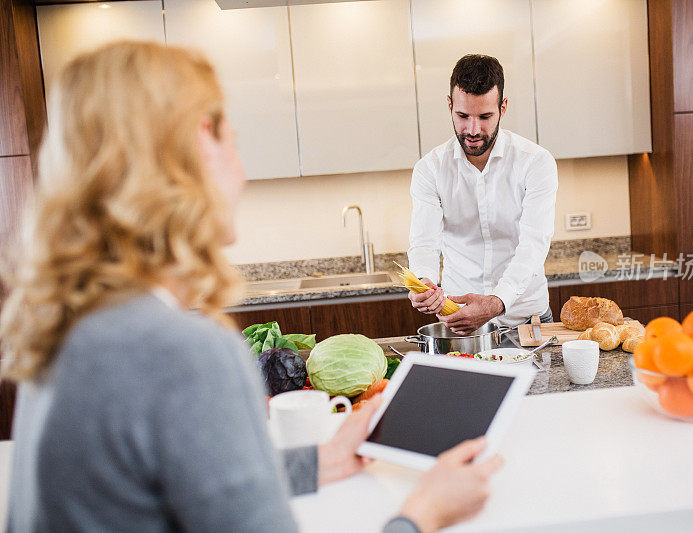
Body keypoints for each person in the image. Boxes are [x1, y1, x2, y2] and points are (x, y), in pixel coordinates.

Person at [0, 42, 502, 533]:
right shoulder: (184, 352)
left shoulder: (68, 326)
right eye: (233, 141)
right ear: (198, 148)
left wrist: (321, 460)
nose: (241, 170)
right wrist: (425, 512)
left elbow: (186, 485)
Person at [407, 54, 558, 335]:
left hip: (527, 323)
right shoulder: (429, 169)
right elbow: (424, 244)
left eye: (485, 116)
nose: (473, 130)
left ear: (503, 107)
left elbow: (533, 245)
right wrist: (422, 283)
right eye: (463, 116)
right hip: (462, 326)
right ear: (449, 106)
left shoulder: (536, 162)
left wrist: (497, 302)